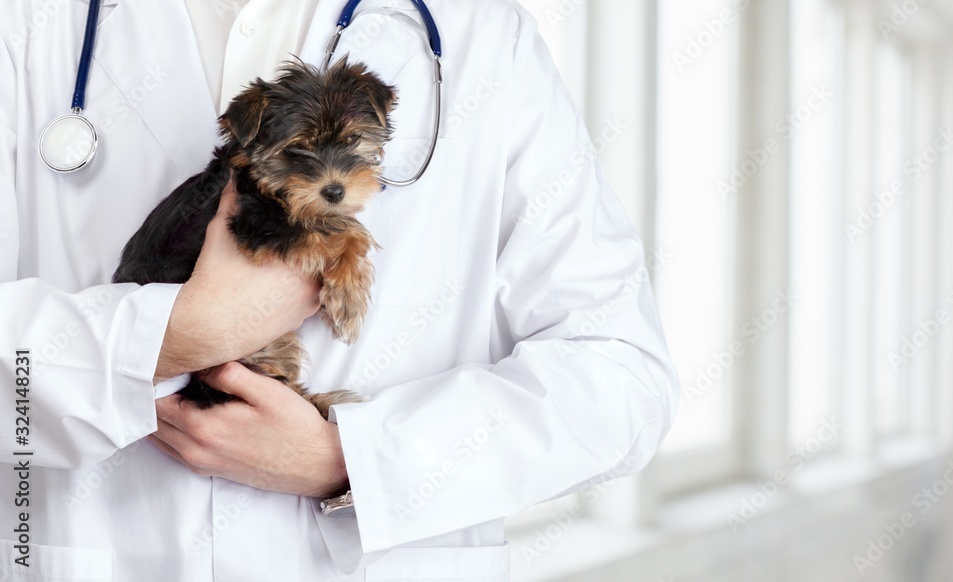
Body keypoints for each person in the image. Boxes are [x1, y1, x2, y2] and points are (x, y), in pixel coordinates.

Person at [0, 0, 679, 580]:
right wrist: (173, 338)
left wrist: (353, 460)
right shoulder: (29, 24)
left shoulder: (477, 32)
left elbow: (620, 376)